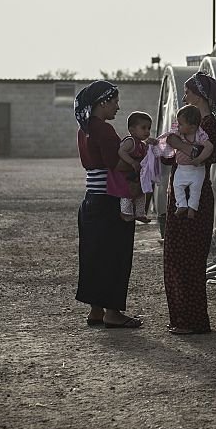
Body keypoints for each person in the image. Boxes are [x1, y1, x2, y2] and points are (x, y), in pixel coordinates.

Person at [75, 80, 143, 329]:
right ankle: (113, 312)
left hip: (91, 200)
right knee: (116, 255)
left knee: (94, 255)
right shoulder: (105, 130)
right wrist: (142, 160)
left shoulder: (84, 129)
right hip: (110, 201)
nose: (117, 106)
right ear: (102, 103)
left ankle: (96, 309)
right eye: (114, 101)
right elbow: (117, 164)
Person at [161, 71, 216, 335]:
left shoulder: (206, 126)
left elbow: (208, 155)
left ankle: (192, 321)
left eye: (188, 92)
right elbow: (168, 155)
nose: (184, 96)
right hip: (181, 193)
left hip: (194, 197)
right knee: (176, 255)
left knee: (187, 258)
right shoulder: (187, 123)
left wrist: (179, 145)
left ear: (199, 96)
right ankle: (183, 318)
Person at [159, 105, 213, 219]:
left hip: (197, 169)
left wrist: (199, 159)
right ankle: (182, 205)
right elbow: (167, 137)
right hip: (182, 168)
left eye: (181, 124)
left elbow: (209, 147)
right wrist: (157, 142)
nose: (178, 126)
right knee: (177, 185)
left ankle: (192, 208)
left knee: (196, 189)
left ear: (192, 127)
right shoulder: (179, 133)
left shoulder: (199, 134)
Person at [111, 111, 157, 223]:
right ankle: (125, 212)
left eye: (149, 128)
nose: (147, 131)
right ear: (132, 130)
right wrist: (132, 162)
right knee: (127, 194)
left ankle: (140, 213)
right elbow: (121, 152)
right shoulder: (130, 142)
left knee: (141, 194)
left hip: (135, 176)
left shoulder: (141, 144)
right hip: (125, 176)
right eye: (143, 128)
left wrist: (150, 146)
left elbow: (146, 156)